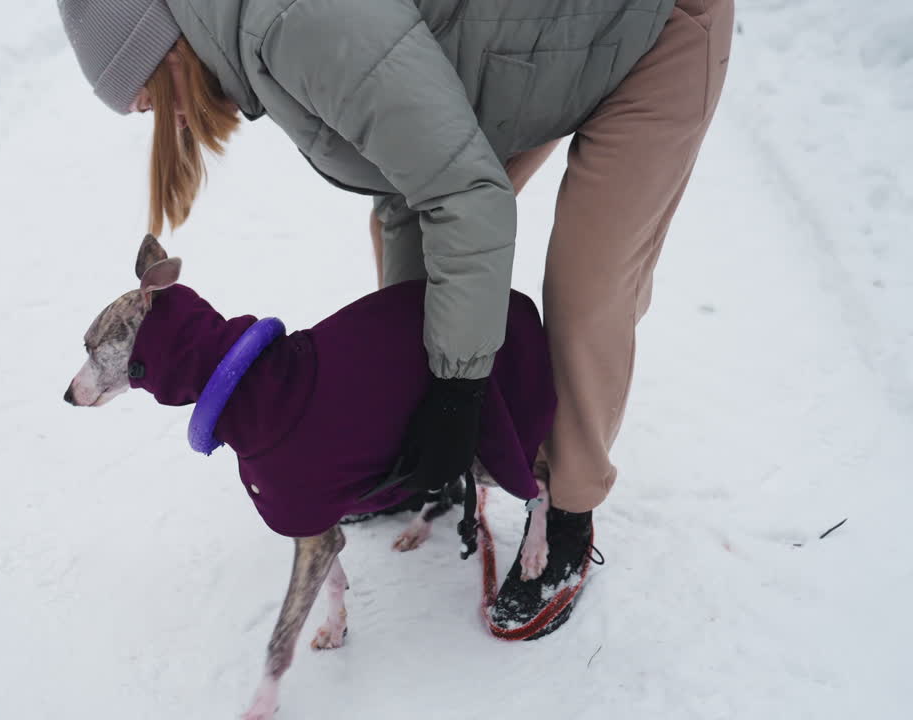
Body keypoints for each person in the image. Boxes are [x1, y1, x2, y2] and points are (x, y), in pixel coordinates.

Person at [58, 0, 733, 640]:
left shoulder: (292, 26)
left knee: (586, 290)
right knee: (406, 229)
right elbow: (413, 182)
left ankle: (568, 510)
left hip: (649, 30)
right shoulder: (251, 39)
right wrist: (415, 399)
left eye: (146, 99)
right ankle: (411, 457)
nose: (160, 121)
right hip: (529, 60)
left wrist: (457, 388)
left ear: (166, 50)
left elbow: (465, 198)